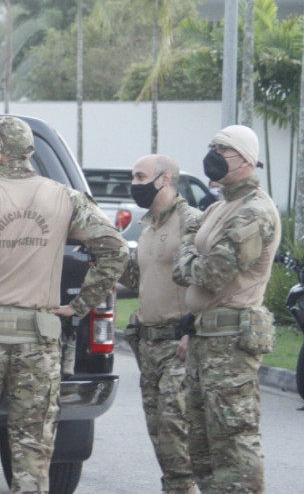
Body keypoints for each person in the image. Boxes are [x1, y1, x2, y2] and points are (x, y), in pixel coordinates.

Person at [0, 116, 128, 494]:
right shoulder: (65, 197)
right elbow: (115, 248)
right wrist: (81, 304)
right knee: (32, 446)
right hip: (39, 341)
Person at [173, 125, 281, 494]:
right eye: (212, 147)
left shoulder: (254, 211)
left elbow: (211, 274)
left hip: (231, 340)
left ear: (246, 160)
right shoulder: (220, 207)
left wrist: (186, 253)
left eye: (223, 149)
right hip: (205, 337)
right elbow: (187, 266)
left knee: (233, 438)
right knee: (201, 445)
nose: (214, 155)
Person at [120, 155, 201, 494]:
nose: (135, 183)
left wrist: (193, 330)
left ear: (165, 178)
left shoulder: (191, 221)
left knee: (174, 427)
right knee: (159, 430)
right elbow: (138, 279)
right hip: (148, 343)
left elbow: (205, 278)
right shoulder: (146, 224)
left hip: (178, 343)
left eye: (141, 176)